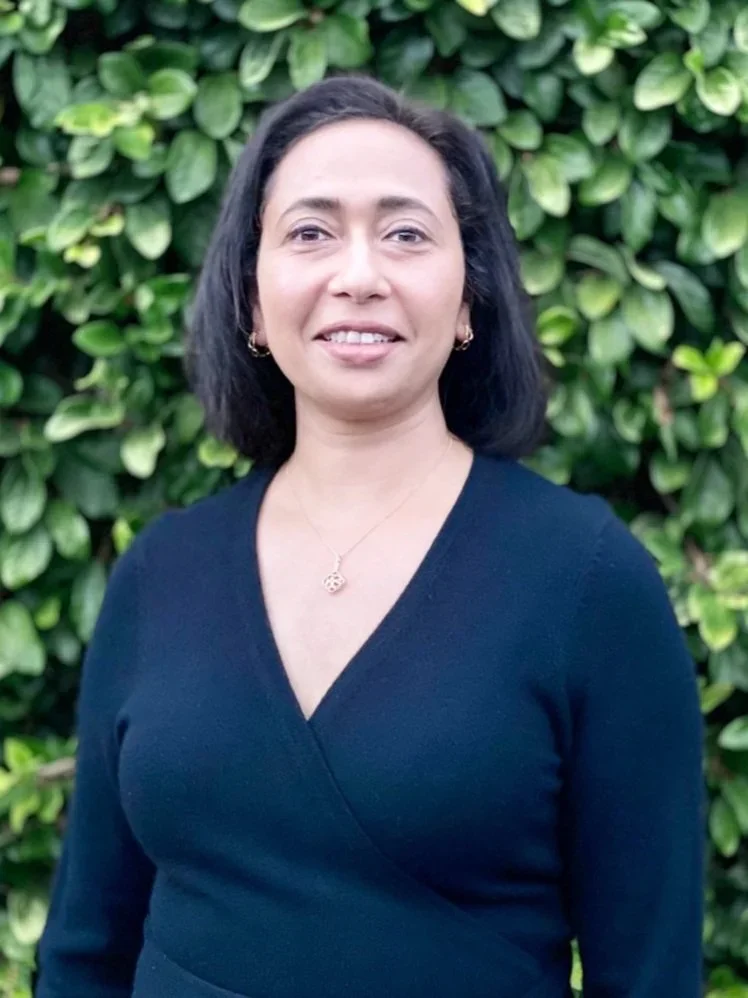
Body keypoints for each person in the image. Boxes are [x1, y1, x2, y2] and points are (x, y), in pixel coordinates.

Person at [34, 74, 706, 998]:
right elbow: (83, 954)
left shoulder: (587, 581)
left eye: (406, 234)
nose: (359, 274)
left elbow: (651, 975)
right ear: (253, 302)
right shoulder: (162, 574)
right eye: (310, 232)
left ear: (468, 300)